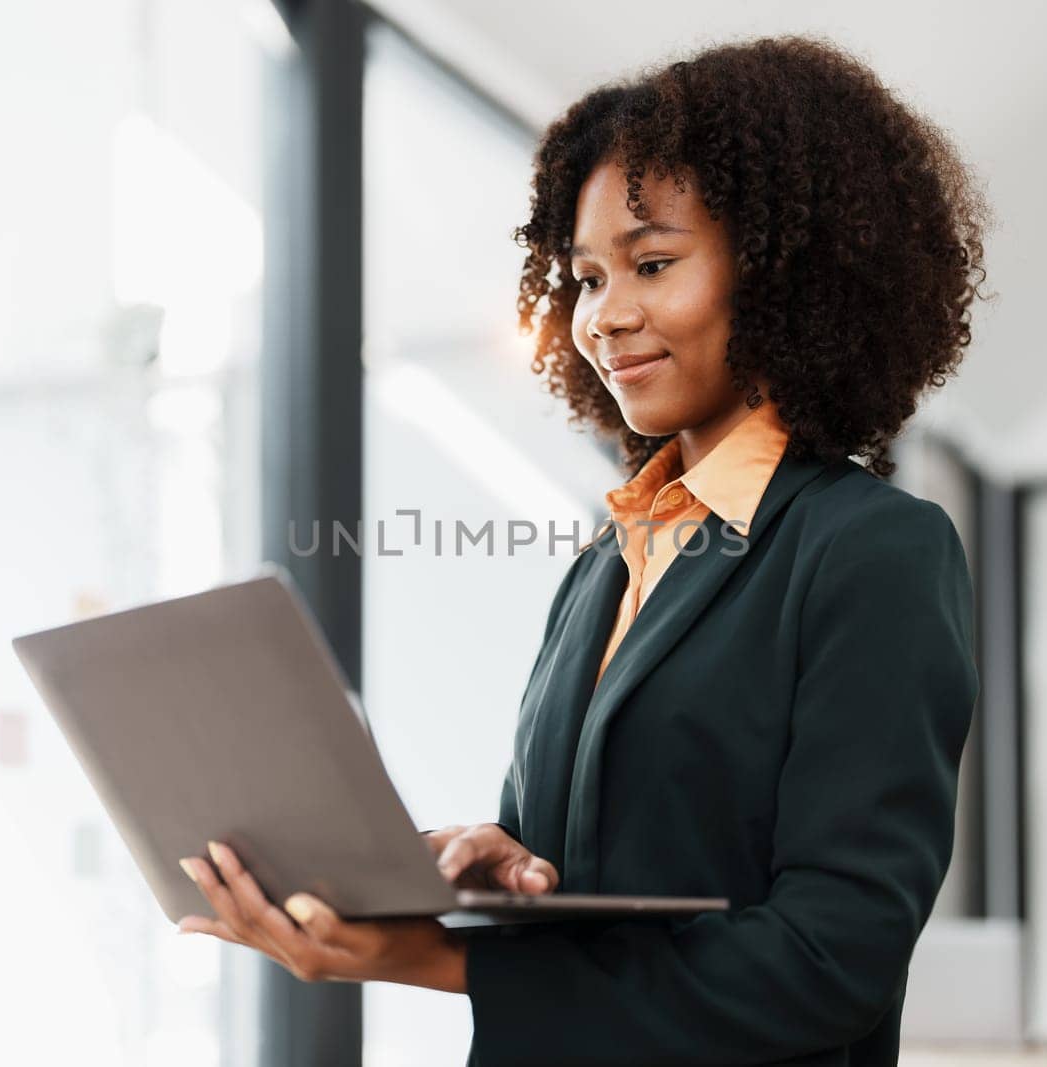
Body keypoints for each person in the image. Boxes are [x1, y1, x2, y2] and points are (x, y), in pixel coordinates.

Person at [176, 33, 993, 1066]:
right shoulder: (608, 560)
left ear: (783, 270)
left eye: (651, 264)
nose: (604, 317)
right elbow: (593, 877)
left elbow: (830, 958)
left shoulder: (873, 550)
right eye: (585, 277)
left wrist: (436, 958)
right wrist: (502, 865)